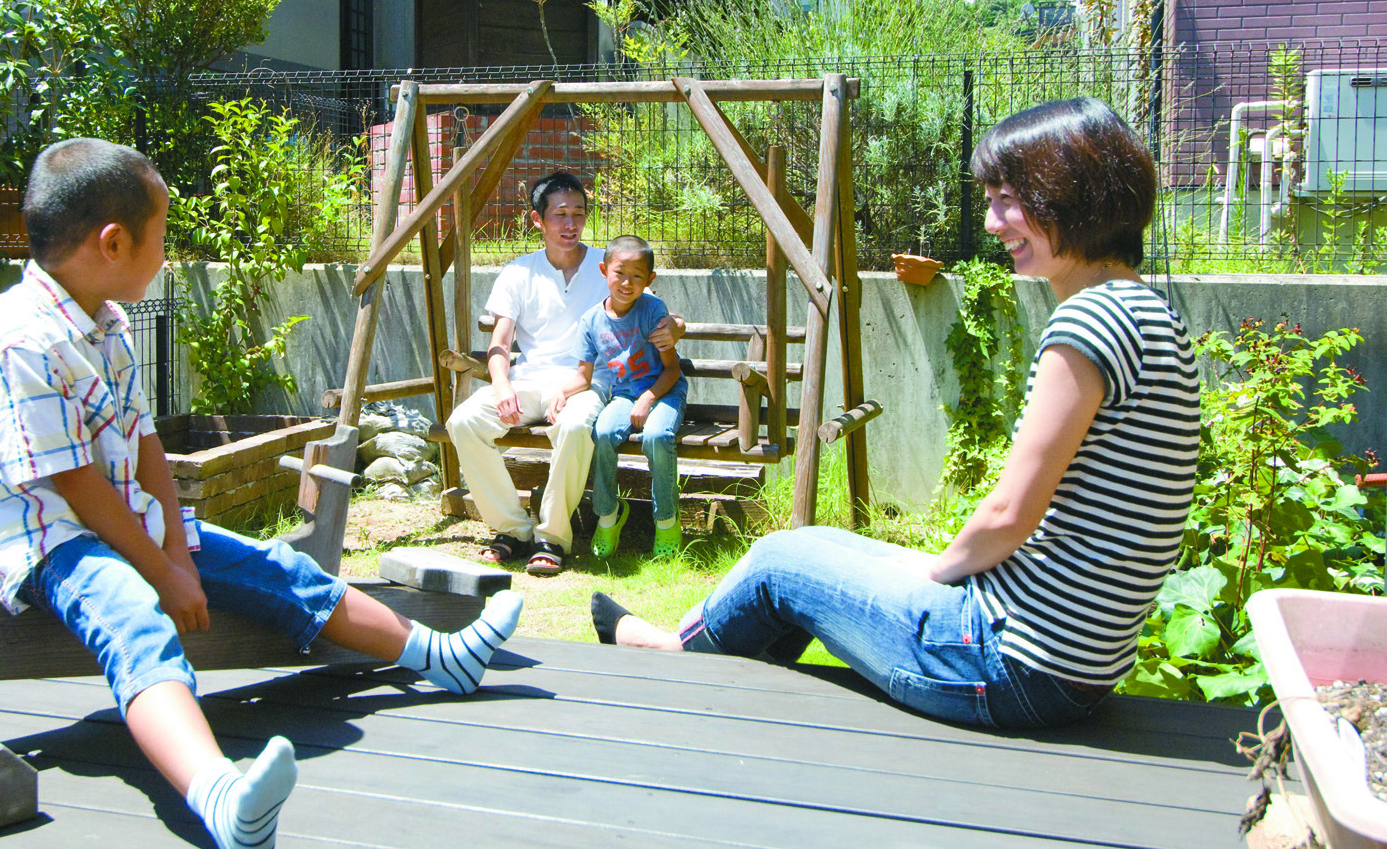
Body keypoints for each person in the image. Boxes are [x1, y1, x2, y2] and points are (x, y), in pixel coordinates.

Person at [0, 139, 523, 849]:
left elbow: (145, 442)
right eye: (163, 235)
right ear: (114, 242)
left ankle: (436, 655)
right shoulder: (17, 344)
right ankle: (219, 796)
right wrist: (161, 571)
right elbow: (73, 486)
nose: (168, 251)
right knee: (133, 618)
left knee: (274, 569)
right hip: (46, 539)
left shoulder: (106, 324)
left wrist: (174, 550)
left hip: (119, 516)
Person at [590, 98, 1201, 730]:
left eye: (1007, 199)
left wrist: (934, 573)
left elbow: (1010, 513)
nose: (992, 223)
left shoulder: (1089, 319)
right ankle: (730, 682)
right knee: (808, 543)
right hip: (1075, 668)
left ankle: (676, 659)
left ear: (1072, 196)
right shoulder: (1150, 314)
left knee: (778, 563)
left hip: (1004, 663)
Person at [447, 172, 682, 577]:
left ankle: (552, 537)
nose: (570, 224)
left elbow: (661, 313)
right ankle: (514, 529)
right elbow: (499, 343)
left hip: (585, 383)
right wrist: (501, 384)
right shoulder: (518, 272)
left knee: (575, 428)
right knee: (463, 422)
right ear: (538, 220)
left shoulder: (608, 265)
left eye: (578, 213)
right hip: (526, 381)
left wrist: (677, 327)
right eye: (559, 215)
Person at [548, 235, 688, 560]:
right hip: (625, 394)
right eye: (620, 273)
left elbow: (671, 370)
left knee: (656, 436)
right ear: (603, 270)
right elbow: (583, 376)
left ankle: (667, 520)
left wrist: (648, 399)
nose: (627, 283)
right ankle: (608, 515)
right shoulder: (591, 321)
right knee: (604, 432)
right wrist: (562, 392)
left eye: (638, 276)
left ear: (650, 279)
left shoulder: (652, 310)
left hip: (664, 391)